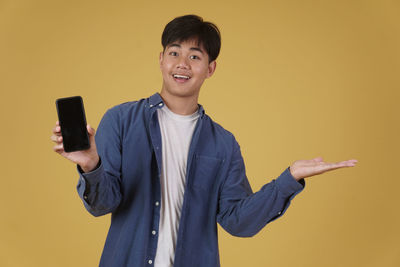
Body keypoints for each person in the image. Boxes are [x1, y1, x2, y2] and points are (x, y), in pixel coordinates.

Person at [51, 14, 358, 267]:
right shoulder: (120, 119)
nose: (182, 63)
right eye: (174, 53)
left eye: (194, 56)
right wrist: (91, 164)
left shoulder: (223, 143)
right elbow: (103, 204)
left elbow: (238, 222)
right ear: (161, 60)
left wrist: (289, 179)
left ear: (210, 69)